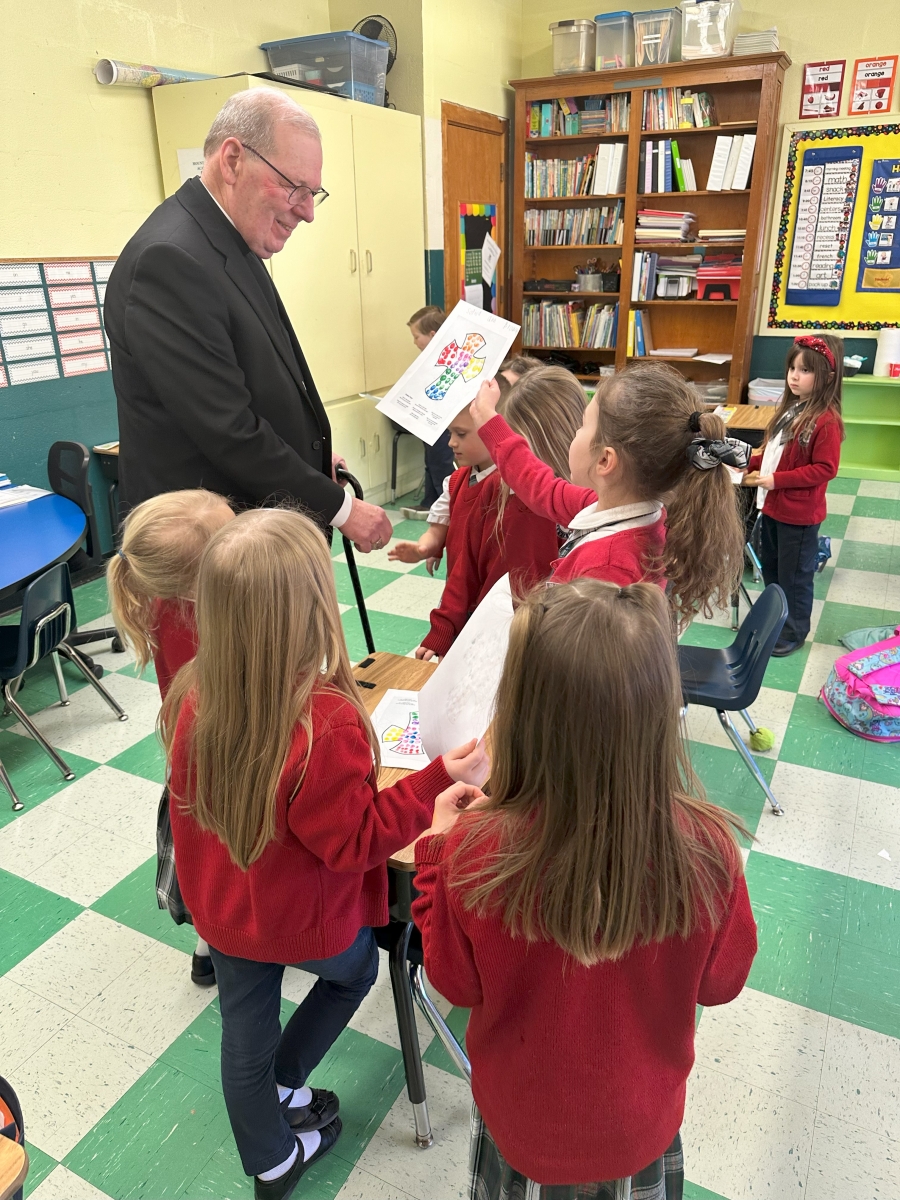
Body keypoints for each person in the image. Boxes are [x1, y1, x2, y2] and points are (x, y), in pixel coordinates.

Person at [162, 508, 489, 1200]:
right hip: (298, 919)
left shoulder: (192, 691)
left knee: (241, 1035)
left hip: (222, 909)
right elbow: (359, 843)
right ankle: (287, 1088)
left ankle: (272, 1159)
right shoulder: (325, 722)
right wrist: (437, 778)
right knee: (351, 976)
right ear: (312, 607)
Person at [413, 579, 757, 1198]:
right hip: (641, 1128)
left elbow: (453, 982)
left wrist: (434, 852)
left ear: (519, 711)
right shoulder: (709, 851)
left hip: (522, 1130)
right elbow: (722, 982)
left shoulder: (475, 852)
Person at [105, 88, 392, 554]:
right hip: (203, 550)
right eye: (294, 187)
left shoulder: (227, 237)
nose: (307, 211)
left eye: (313, 192)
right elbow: (230, 430)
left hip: (245, 538)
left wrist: (312, 456)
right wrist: (341, 507)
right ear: (233, 159)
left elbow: (258, 378)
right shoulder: (170, 260)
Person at [469, 360, 749, 625]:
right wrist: (489, 421)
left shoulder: (607, 569)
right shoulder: (621, 509)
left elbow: (584, 666)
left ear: (605, 460)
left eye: (582, 425)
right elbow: (539, 485)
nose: (575, 433)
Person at [107, 488, 234, 989]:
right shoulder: (219, 613)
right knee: (234, 850)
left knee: (205, 846)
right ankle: (229, 941)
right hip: (229, 752)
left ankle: (207, 946)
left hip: (186, 750)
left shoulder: (160, 594)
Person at [392, 367, 587, 658]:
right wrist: (448, 630)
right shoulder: (496, 492)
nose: (451, 443)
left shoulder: (587, 504)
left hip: (552, 643)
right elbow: (467, 575)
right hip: (501, 640)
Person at [744, 334, 844, 656]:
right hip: (772, 507)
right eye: (791, 368)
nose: (794, 376)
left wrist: (776, 480)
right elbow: (775, 453)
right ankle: (775, 619)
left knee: (796, 577)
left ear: (826, 378)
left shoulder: (826, 421)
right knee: (772, 568)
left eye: (804, 370)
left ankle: (794, 632)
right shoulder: (792, 409)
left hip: (799, 516)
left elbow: (824, 469)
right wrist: (750, 463)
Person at [400, 306, 457, 520]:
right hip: (427, 421)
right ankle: (430, 502)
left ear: (432, 335)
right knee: (431, 460)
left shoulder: (447, 359)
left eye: (416, 336)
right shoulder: (426, 360)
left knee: (442, 461)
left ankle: (448, 506)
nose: (414, 342)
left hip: (443, 422)